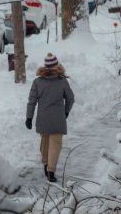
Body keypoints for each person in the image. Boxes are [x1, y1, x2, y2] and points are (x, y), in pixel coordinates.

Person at [25, 53, 74, 183]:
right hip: (58, 118)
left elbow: (32, 101)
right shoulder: (62, 81)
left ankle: (46, 164)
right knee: (55, 145)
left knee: (45, 142)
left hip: (43, 118)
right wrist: (66, 112)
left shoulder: (37, 82)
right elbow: (70, 98)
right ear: (57, 66)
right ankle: (51, 171)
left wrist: (29, 117)